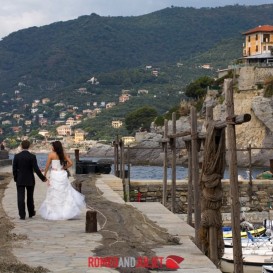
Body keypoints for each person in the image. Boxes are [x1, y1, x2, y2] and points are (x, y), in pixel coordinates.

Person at [39, 141, 85, 220]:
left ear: (55, 147)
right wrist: (64, 168)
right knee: (65, 192)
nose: (51, 147)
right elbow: (70, 163)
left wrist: (44, 175)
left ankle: (55, 212)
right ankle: (66, 212)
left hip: (54, 174)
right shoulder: (63, 154)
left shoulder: (51, 154)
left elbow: (47, 166)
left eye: (52, 146)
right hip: (62, 174)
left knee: (55, 192)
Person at [12, 140, 47, 220]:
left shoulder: (17, 156)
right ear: (29, 146)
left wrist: (16, 178)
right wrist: (43, 178)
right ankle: (31, 213)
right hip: (30, 179)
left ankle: (22, 215)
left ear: (21, 146)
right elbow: (36, 169)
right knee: (30, 197)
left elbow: (14, 169)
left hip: (20, 179)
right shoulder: (32, 156)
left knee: (20, 197)